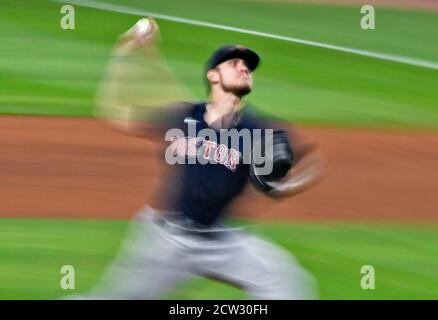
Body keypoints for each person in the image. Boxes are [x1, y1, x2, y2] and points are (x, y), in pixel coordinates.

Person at [84, 17, 326, 300]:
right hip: (167, 240)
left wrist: (289, 184)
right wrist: (123, 53)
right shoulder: (182, 116)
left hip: (221, 241)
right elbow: (114, 111)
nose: (243, 67)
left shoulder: (260, 130)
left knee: (288, 284)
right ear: (213, 75)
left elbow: (300, 170)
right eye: (234, 63)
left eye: (247, 65)